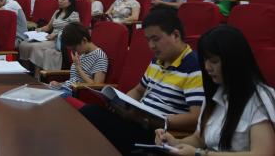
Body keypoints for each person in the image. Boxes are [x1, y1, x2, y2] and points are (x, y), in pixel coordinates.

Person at [80, 10, 204, 154]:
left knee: (91, 117)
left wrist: (147, 120)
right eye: (148, 40)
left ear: (175, 35)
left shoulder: (194, 67)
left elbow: (195, 118)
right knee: (89, 112)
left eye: (155, 39)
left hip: (157, 134)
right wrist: (122, 104)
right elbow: (139, 90)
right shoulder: (157, 60)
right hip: (138, 122)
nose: (151, 45)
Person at [155, 26, 275, 155]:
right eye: (205, 60)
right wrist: (174, 143)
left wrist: (200, 154)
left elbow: (263, 153)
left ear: (234, 62)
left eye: (214, 61)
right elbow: (199, 139)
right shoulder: (215, 92)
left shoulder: (260, 99)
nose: (207, 67)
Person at [19, 0, 80, 71]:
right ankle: (25, 70)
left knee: (35, 47)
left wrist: (57, 34)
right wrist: (38, 30)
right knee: (24, 43)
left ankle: (37, 74)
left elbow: (74, 31)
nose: (60, 1)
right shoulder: (57, 12)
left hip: (60, 41)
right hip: (50, 37)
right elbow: (48, 27)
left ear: (70, 2)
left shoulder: (74, 14)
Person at [49, 22, 108, 89]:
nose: (74, 52)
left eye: (74, 48)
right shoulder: (82, 53)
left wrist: (78, 68)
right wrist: (60, 84)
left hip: (78, 92)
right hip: (67, 89)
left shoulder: (99, 56)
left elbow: (97, 86)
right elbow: (74, 80)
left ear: (84, 40)